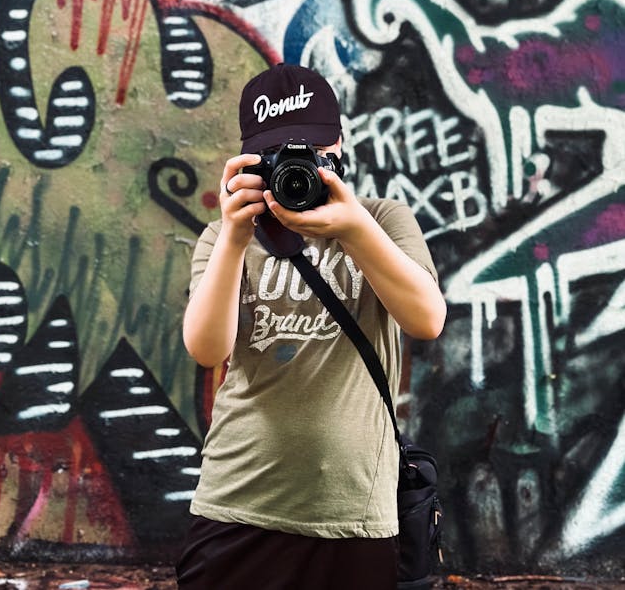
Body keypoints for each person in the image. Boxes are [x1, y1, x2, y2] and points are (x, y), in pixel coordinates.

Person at [177, 63, 446, 590]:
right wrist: (235, 236)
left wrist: (354, 229)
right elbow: (207, 349)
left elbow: (427, 320)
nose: (296, 174)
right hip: (238, 501)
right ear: (251, 159)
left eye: (312, 156)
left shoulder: (384, 220)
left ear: (338, 147)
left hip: (355, 509)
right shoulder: (223, 236)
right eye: (281, 158)